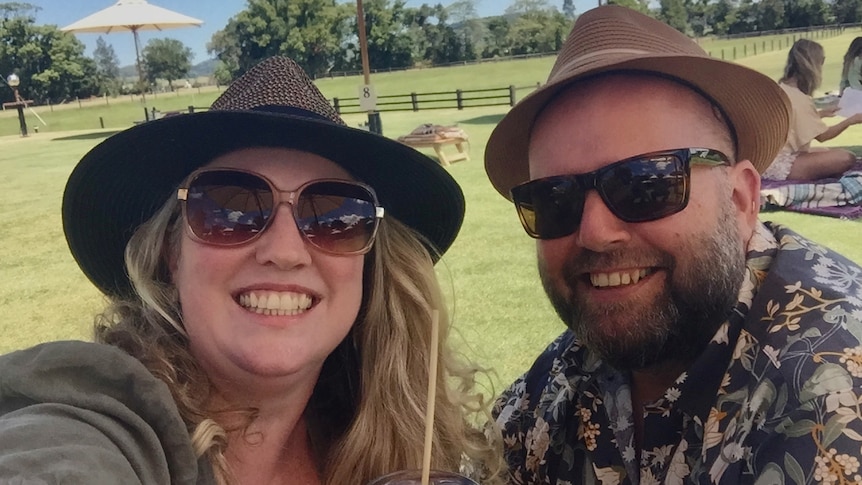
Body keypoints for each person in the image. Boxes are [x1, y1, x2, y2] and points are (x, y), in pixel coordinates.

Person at [0, 56, 505, 485]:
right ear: (170, 256)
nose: (285, 251)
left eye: (334, 216)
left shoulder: (401, 439)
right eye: (227, 209)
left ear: (370, 266)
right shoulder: (103, 419)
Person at [485, 6, 862, 484]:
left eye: (645, 183)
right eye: (554, 198)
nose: (595, 232)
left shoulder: (836, 393)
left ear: (741, 200)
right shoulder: (570, 373)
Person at [763, 38, 862, 181]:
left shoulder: (782, 89)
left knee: (825, 152)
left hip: (766, 159)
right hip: (778, 164)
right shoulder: (799, 98)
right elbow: (823, 136)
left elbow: (792, 120)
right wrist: (850, 121)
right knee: (846, 157)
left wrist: (820, 114)